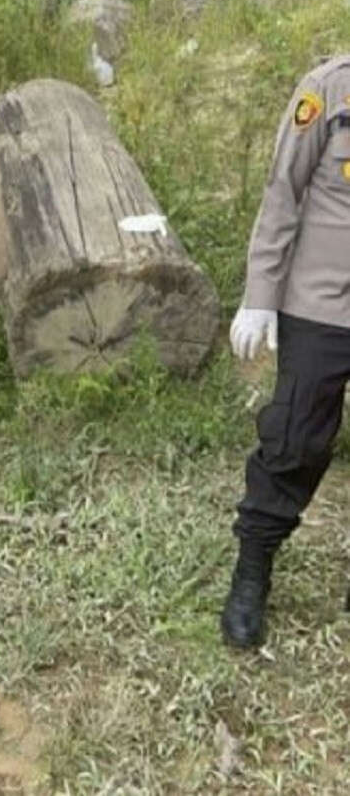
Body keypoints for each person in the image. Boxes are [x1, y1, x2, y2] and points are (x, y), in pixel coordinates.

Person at [221, 57, 350, 650]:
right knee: (297, 439)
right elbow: (282, 193)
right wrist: (260, 295)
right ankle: (253, 568)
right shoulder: (327, 91)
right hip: (321, 301)